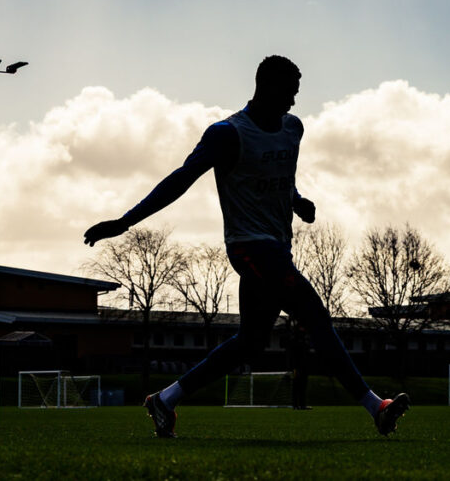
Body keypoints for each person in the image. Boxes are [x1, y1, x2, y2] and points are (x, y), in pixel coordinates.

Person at [84, 55, 410, 437]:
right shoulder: (227, 134)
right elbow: (181, 179)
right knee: (315, 316)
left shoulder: (293, 129)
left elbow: (279, 176)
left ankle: (164, 400)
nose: (293, 103)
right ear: (266, 86)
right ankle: (376, 407)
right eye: (289, 93)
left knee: (249, 342)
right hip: (249, 249)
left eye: (296, 94)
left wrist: (296, 200)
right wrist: (125, 221)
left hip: (278, 249)